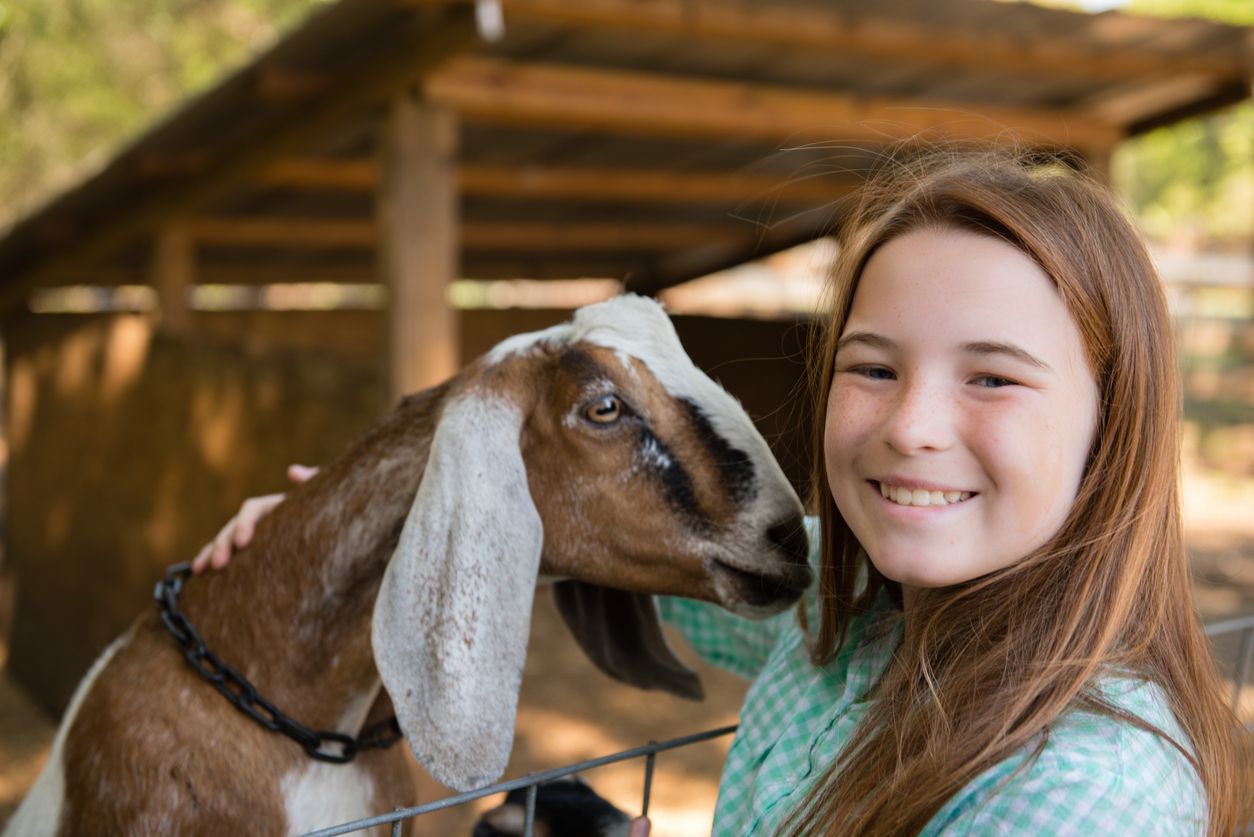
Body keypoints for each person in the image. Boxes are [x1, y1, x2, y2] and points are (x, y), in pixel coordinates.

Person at [193, 145, 1250, 835]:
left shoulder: (1084, 799)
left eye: (992, 377)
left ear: (1114, 422)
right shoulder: (849, 610)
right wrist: (357, 532)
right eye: (873, 367)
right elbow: (626, 538)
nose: (910, 427)